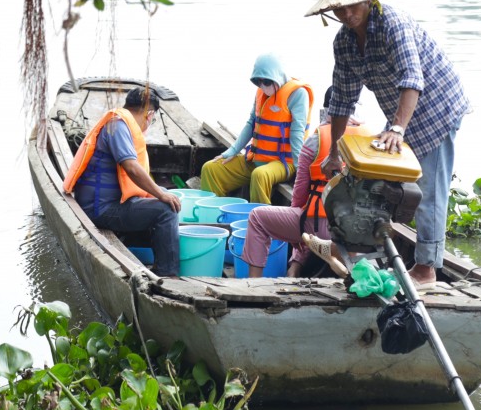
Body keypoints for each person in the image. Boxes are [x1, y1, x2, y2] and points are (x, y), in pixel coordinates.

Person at [304, 0, 471, 290]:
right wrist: (336, 152)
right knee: (372, 183)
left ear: (367, 1)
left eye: (352, 5)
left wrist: (396, 128)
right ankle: (347, 246)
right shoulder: (345, 44)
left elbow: (412, 78)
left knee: (428, 191)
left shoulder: (392, 24)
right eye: (340, 8)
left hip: (437, 106)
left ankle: (426, 270)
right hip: (401, 113)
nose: (347, 13)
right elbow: (342, 100)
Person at [242, 87, 367, 278]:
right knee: (309, 221)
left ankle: (253, 283)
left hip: (323, 227)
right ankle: (297, 266)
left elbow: (299, 198)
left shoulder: (315, 141)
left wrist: (296, 237)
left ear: (326, 110)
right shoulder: (369, 140)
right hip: (361, 230)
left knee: (258, 217)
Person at [62, 86, 182, 276]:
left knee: (165, 195)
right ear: (149, 114)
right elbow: (132, 168)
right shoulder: (118, 126)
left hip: (107, 202)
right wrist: (161, 195)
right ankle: (168, 274)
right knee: (167, 210)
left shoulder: (119, 121)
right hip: (100, 209)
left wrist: (160, 192)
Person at [200, 53, 314, 205]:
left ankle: (260, 223)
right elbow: (251, 123)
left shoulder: (298, 94)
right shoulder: (261, 92)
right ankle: (213, 214)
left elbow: (297, 133)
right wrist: (231, 151)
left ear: (277, 77)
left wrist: (300, 169)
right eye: (258, 82)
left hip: (283, 162)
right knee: (211, 168)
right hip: (256, 158)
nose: (263, 86)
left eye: (267, 81)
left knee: (260, 175)